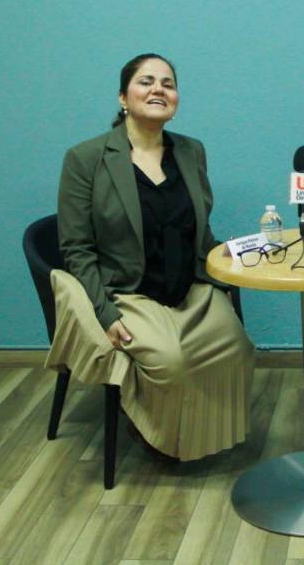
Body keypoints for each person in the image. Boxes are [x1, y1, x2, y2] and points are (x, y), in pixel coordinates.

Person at [45, 53, 255, 461]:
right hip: (127, 292)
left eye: (168, 83)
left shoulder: (192, 152)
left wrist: (224, 271)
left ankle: (203, 437)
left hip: (188, 289)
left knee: (236, 348)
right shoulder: (85, 159)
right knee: (170, 362)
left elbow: (200, 231)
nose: (159, 89)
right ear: (123, 97)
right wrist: (104, 313)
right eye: (146, 81)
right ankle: (156, 434)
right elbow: (76, 249)